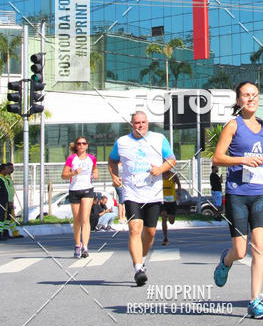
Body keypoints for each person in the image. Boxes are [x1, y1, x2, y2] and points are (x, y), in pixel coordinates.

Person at [212, 81, 263, 319]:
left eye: (254, 95)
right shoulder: (233, 125)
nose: (250, 99)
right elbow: (218, 158)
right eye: (245, 95)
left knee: (259, 247)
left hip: (260, 192)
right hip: (237, 194)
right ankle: (226, 260)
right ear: (239, 100)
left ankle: (255, 300)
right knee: (241, 251)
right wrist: (242, 160)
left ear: (259, 98)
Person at [108, 110, 177, 286]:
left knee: (150, 233)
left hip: (153, 192)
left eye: (143, 122)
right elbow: (112, 160)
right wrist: (114, 175)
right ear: (131, 124)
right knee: (134, 228)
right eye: (137, 123)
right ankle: (138, 268)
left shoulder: (158, 139)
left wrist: (160, 170)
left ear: (148, 123)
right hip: (132, 192)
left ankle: (142, 258)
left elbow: (171, 159)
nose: (140, 125)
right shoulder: (122, 142)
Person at [62, 137, 98, 258]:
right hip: (74, 190)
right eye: (79, 143)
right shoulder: (71, 159)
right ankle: (77, 244)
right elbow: (64, 175)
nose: (81, 145)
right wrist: (73, 173)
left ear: (87, 145)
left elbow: (95, 168)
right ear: (76, 146)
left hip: (87, 189)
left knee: (85, 219)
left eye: (84, 143)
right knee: (77, 220)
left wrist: (95, 173)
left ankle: (85, 247)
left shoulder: (91, 158)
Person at [0, 162, 20, 240]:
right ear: (3, 170)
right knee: (0, 218)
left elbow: (8, 191)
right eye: (7, 169)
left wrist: (10, 201)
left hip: (7, 201)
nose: (9, 170)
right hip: (1, 202)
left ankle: (5, 233)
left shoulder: (5, 178)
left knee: (7, 218)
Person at [160, 167, 182, 245]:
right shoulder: (160, 176)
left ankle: (170, 217)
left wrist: (179, 194)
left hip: (172, 201)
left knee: (171, 221)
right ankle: (165, 238)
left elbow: (179, 184)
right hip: (163, 201)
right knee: (163, 217)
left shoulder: (173, 175)